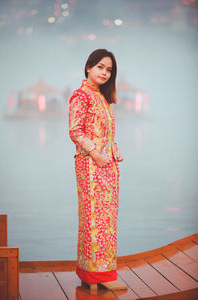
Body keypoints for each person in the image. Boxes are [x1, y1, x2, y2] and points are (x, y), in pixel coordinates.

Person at [68, 49, 127, 291]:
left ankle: (103, 275)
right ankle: (91, 276)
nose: (104, 72)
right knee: (93, 220)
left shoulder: (102, 97)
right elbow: (75, 130)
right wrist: (95, 152)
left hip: (107, 166)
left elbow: (105, 132)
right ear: (88, 67)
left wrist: (115, 148)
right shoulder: (81, 95)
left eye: (109, 69)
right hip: (91, 166)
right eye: (100, 67)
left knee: (106, 221)